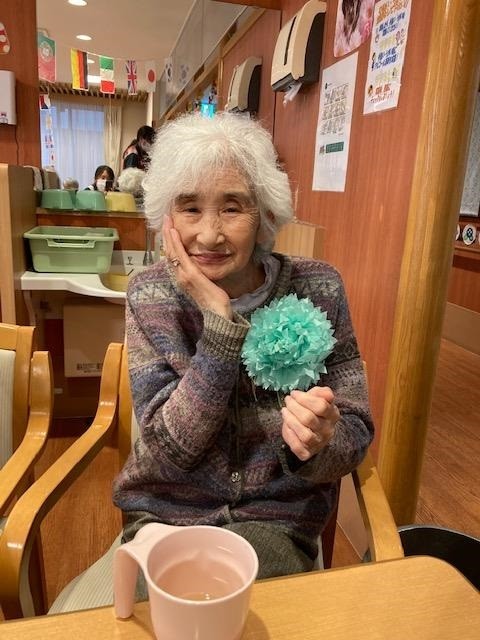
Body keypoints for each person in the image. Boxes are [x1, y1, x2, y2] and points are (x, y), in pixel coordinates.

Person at [113, 113, 373, 595]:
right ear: (166, 217)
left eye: (232, 208)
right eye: (190, 208)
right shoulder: (149, 295)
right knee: (170, 607)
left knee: (248, 602)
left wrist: (318, 443)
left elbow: (354, 431)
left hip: (276, 522)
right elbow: (172, 451)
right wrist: (219, 325)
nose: (209, 235)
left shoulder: (319, 287)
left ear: (265, 215)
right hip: (167, 516)